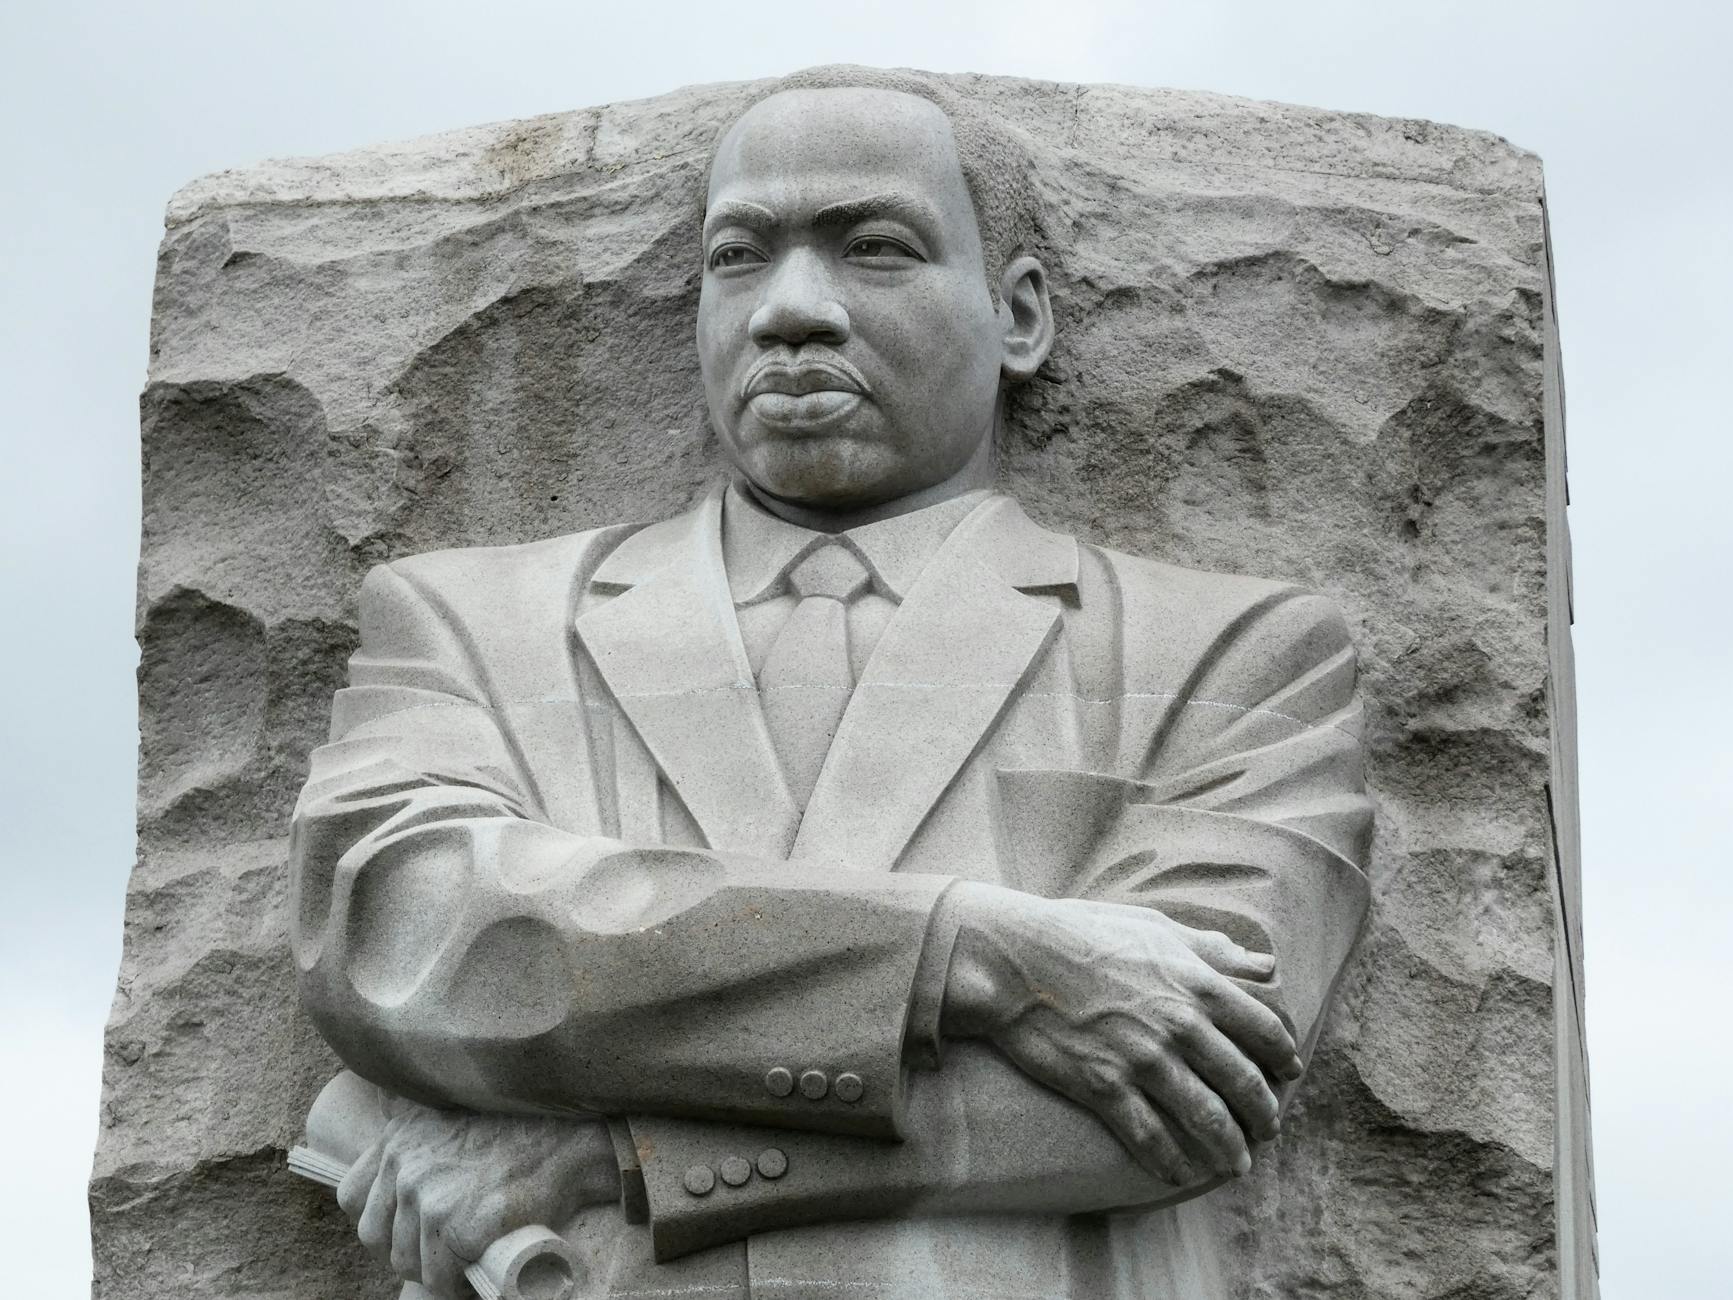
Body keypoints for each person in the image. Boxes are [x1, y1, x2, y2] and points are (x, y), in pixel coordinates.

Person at [289, 65, 1372, 1300]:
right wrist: (972, 953)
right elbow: (407, 940)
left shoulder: (1233, 653)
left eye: (874, 248)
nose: (789, 308)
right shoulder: (471, 624)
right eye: (738, 256)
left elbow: (1188, 1088)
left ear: (1018, 316)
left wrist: (609, 1155)